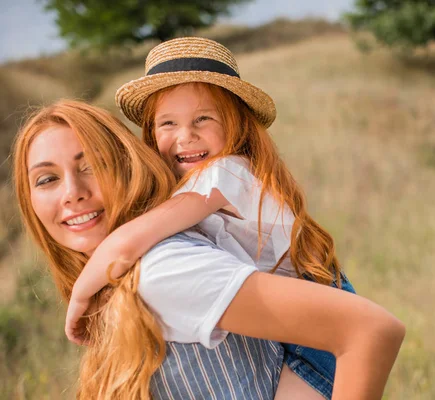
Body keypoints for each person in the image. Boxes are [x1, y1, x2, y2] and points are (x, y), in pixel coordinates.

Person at [14, 100, 405, 399]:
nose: (73, 194)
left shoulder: (163, 268)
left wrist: (84, 289)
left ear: (126, 165)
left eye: (91, 166)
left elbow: (371, 328)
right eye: (46, 179)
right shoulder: (144, 267)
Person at [66, 37, 364, 399]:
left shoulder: (226, 173)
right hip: (298, 331)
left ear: (235, 124)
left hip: (317, 339)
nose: (185, 136)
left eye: (203, 119)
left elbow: (129, 242)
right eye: (168, 123)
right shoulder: (203, 184)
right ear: (150, 132)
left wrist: (81, 296)